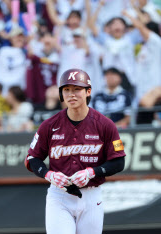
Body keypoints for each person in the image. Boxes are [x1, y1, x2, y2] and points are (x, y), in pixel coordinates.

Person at [24, 69, 126, 234]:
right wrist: (48, 175)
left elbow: (119, 161)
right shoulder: (49, 125)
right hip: (60, 196)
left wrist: (92, 172)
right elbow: (32, 158)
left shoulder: (105, 124)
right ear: (61, 94)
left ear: (88, 91)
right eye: (66, 90)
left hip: (92, 195)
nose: (71, 94)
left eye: (77, 89)